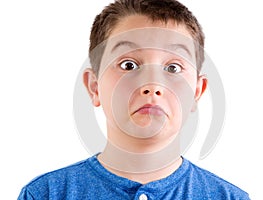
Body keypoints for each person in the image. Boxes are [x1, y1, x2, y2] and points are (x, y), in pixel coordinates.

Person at [18, 0, 250, 199]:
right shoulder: (46, 194)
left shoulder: (228, 197)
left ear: (197, 92)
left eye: (173, 67)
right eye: (129, 65)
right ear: (94, 86)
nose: (152, 85)